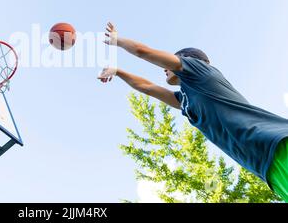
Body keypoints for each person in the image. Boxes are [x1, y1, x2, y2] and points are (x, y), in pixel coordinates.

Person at [98, 22, 288, 202]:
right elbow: (147, 87)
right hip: (266, 167)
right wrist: (118, 71)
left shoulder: (200, 71)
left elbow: (143, 52)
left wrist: (118, 41)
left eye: (169, 63)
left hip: (276, 144)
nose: (164, 68)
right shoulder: (186, 101)